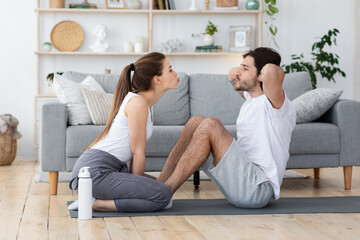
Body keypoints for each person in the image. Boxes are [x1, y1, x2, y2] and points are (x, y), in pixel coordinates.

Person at [157, 47, 296, 208]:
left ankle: (164, 194)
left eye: (245, 69)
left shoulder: (279, 106)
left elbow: (272, 70)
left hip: (258, 189)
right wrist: (243, 70)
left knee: (211, 124)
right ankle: (158, 186)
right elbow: (232, 74)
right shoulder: (252, 100)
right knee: (195, 122)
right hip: (240, 181)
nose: (238, 72)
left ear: (262, 75)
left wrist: (264, 66)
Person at [68, 52, 179, 212]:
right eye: (170, 69)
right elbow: (137, 153)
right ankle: (92, 203)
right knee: (162, 196)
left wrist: (142, 189)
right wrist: (141, 191)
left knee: (163, 195)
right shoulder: (138, 103)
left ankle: (92, 199)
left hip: (109, 170)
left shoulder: (146, 102)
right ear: (157, 79)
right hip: (94, 173)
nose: (175, 73)